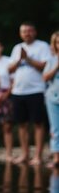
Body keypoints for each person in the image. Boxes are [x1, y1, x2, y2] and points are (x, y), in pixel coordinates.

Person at [8, 22, 52, 165]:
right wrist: (20, 59)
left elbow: (45, 66)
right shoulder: (17, 48)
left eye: (29, 31)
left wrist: (28, 58)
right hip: (18, 91)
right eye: (23, 31)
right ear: (20, 33)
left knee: (38, 123)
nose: (26, 33)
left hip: (36, 90)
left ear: (35, 32)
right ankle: (25, 154)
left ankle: (38, 156)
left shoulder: (42, 46)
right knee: (22, 124)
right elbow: (10, 69)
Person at [43, 31, 59, 168]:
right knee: (55, 128)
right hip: (53, 97)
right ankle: (56, 157)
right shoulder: (51, 60)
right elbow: (45, 77)